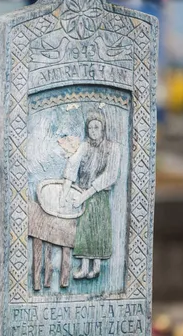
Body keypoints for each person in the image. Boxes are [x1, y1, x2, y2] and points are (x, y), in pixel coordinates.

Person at [60, 110, 120, 280]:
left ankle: (97, 267)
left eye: (96, 127)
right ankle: (84, 267)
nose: (93, 130)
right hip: (82, 192)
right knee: (84, 231)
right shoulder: (85, 146)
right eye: (90, 127)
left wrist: (85, 196)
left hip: (98, 194)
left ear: (102, 128)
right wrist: (65, 191)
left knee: (98, 230)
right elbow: (73, 164)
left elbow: (110, 175)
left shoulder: (112, 148)